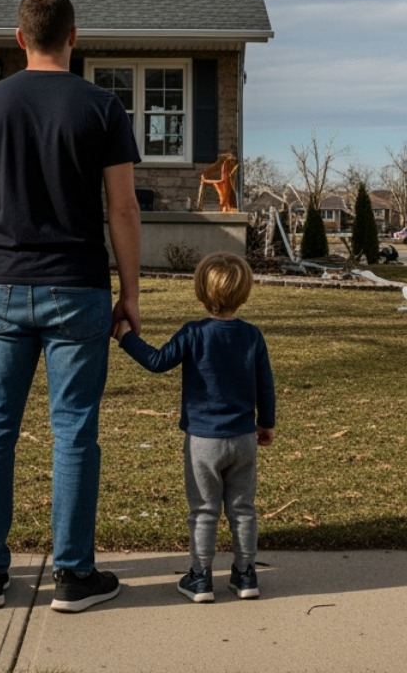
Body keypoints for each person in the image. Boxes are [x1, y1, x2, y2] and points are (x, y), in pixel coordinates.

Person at [0, 0, 143, 613]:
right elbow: (122, 208)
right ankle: (72, 575)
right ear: (74, 36)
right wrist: (131, 293)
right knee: (74, 434)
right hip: (79, 286)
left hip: (4, 285)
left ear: (19, 39)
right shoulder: (102, 107)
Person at [113, 252, 276, 603]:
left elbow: (157, 362)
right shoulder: (252, 336)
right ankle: (246, 575)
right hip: (244, 438)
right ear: (245, 292)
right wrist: (267, 424)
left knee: (204, 509)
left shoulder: (194, 333)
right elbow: (266, 385)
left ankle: (200, 577)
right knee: (243, 508)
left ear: (201, 292)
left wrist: (125, 337)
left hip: (203, 440)